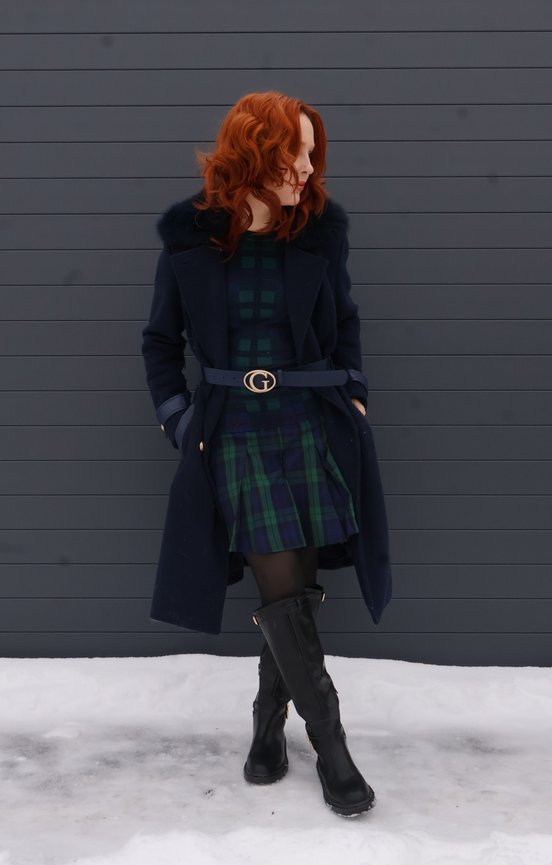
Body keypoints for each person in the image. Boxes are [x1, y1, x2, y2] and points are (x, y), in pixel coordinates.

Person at [141, 91, 393, 817]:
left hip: (309, 420)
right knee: (283, 586)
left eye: (315, 151)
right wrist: (177, 419)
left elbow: (343, 319)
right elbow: (161, 343)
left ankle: (266, 721)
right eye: (297, 150)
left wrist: (356, 391)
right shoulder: (190, 237)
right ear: (255, 150)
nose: (310, 167)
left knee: (293, 589)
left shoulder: (317, 232)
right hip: (232, 429)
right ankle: (334, 745)